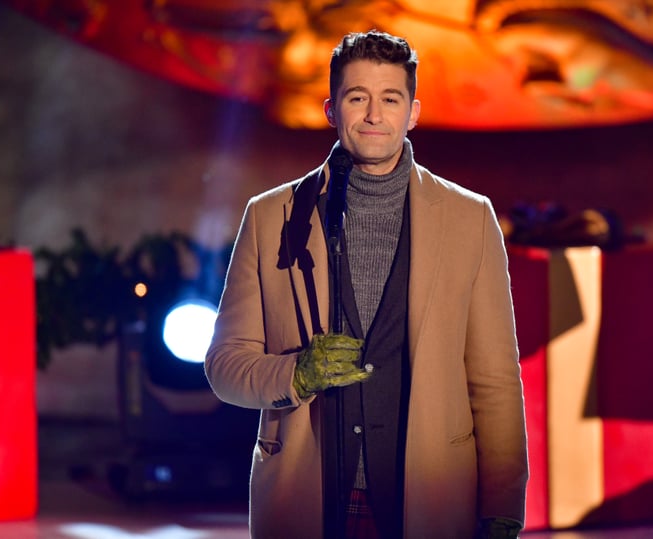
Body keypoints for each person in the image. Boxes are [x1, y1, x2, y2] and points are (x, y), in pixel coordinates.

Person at [205, 30, 529, 539]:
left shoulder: (471, 218)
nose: (375, 115)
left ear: (413, 112)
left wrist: (504, 506)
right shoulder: (270, 217)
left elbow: (495, 381)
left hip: (430, 497)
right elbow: (224, 367)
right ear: (331, 109)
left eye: (390, 99)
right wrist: (298, 374)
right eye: (358, 98)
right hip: (307, 499)